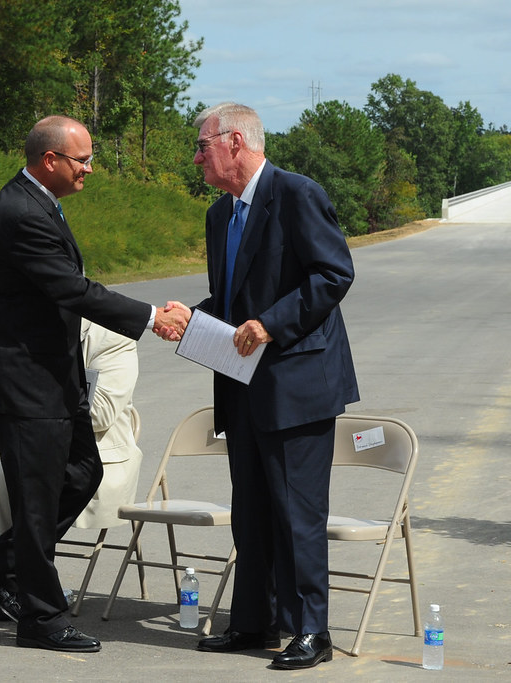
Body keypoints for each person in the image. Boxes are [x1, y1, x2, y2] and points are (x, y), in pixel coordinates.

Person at [0, 115, 188, 653]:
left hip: (53, 379)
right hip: (29, 385)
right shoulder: (21, 212)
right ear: (51, 161)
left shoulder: (38, 202)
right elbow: (72, 289)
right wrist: (152, 315)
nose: (90, 169)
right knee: (38, 502)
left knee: (83, 473)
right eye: (82, 159)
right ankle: (42, 619)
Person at [189, 103, 359, 671]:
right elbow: (234, 301)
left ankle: (312, 630)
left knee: (296, 512)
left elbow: (333, 274)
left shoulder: (296, 193)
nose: (197, 158)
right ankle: (253, 623)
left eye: (203, 146)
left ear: (235, 141)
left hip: (297, 381)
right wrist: (190, 320)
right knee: (251, 510)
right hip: (242, 385)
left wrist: (272, 324)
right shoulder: (220, 216)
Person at [0, 319, 142, 614]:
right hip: (19, 441)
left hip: (86, 454)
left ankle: (13, 578)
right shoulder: (22, 328)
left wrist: (14, 401)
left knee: (8, 471)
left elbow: (101, 413)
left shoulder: (112, 338)